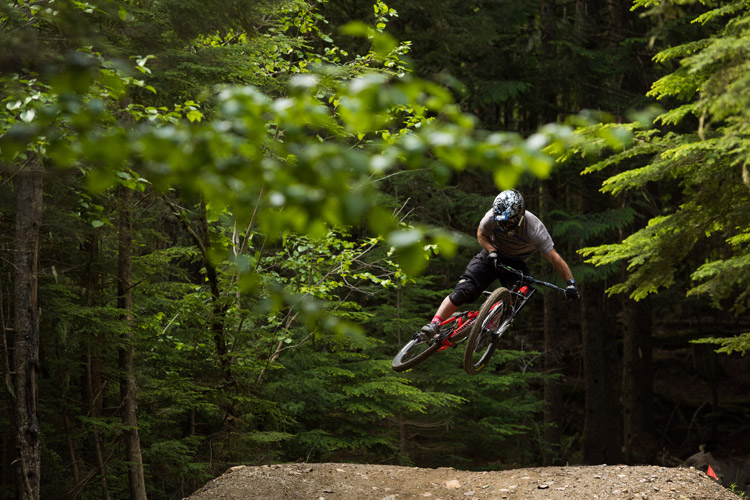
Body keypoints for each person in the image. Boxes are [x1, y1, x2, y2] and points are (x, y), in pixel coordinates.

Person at [421, 189, 579, 338]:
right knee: (464, 289)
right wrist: (491, 251)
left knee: (516, 297)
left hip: (517, 264)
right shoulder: (491, 217)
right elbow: (481, 234)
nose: (503, 226)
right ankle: (434, 324)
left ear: (519, 216)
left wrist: (570, 283)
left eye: (508, 221)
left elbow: (555, 258)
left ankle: (488, 329)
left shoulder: (535, 229)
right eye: (500, 221)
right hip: (492, 255)